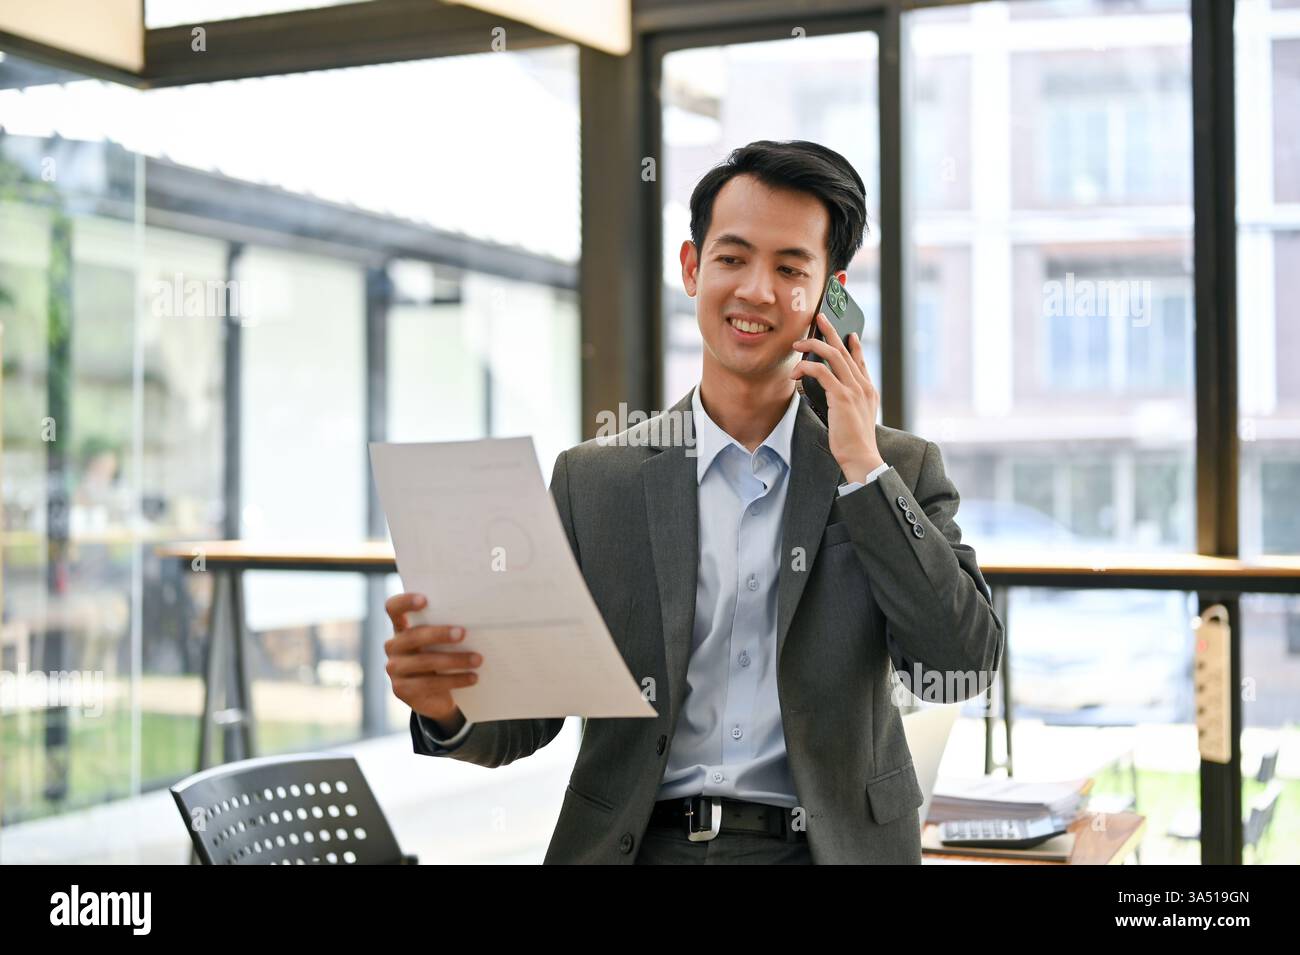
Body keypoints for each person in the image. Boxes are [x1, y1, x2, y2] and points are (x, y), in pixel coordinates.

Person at [384, 140, 1003, 864]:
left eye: (789, 269)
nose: (756, 291)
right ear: (690, 267)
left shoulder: (895, 467)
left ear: (830, 294)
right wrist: (447, 705)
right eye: (733, 258)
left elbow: (958, 665)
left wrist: (861, 469)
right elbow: (530, 715)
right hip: (640, 846)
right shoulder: (596, 481)